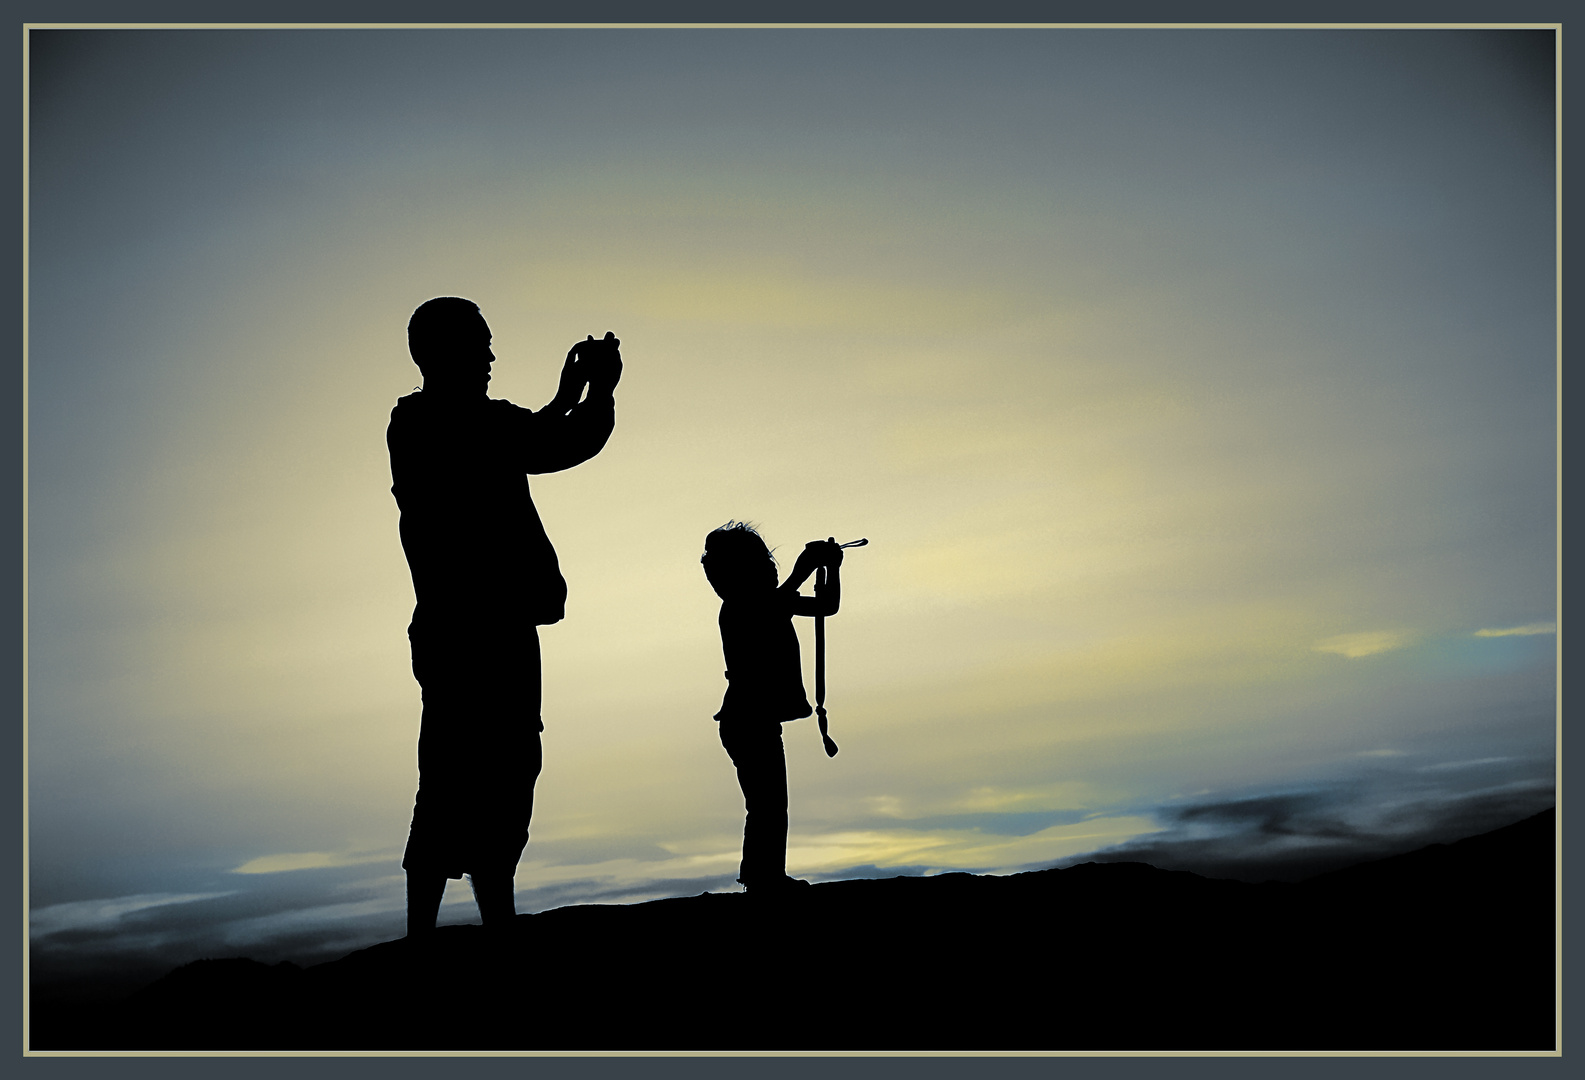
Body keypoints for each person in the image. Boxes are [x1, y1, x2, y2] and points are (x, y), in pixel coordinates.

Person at [388, 296, 621, 935]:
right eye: (480, 344)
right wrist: (597, 391)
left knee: (496, 776)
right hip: (476, 634)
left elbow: (530, 438)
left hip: (474, 630)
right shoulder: (436, 424)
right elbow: (555, 443)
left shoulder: (436, 424)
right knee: (465, 778)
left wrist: (569, 393)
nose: (491, 357)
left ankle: (481, 928)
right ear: (440, 354)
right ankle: (441, 939)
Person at [700, 523, 842, 895]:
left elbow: (827, 607)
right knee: (768, 804)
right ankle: (764, 880)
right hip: (747, 721)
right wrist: (806, 568)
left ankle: (763, 877)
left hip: (754, 721)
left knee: (769, 804)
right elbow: (774, 604)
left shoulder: (765, 603)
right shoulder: (740, 608)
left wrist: (832, 570)